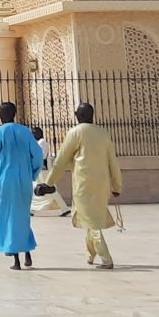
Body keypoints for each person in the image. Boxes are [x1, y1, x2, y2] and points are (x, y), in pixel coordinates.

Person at [42, 101, 124, 269]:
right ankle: (90, 254)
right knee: (90, 217)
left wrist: (49, 182)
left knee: (91, 222)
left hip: (84, 184)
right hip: (102, 184)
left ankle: (106, 258)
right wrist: (116, 186)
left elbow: (61, 160)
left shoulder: (75, 132)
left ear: (77, 116)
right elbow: (113, 161)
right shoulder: (103, 133)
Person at [0, 101, 43, 270]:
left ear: (1, 115)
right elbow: (38, 154)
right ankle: (27, 252)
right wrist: (33, 172)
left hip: (5, 181)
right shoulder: (25, 131)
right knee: (22, 217)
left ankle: (16, 259)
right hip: (23, 181)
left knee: (8, 217)